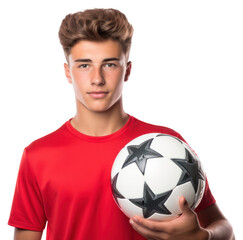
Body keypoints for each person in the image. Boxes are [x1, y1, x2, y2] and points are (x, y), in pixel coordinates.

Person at [8, 8, 234, 240]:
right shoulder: (38, 156)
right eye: (84, 65)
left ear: (127, 70)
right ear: (68, 72)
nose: (97, 79)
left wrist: (202, 237)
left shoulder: (166, 145)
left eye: (110, 64)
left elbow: (225, 229)